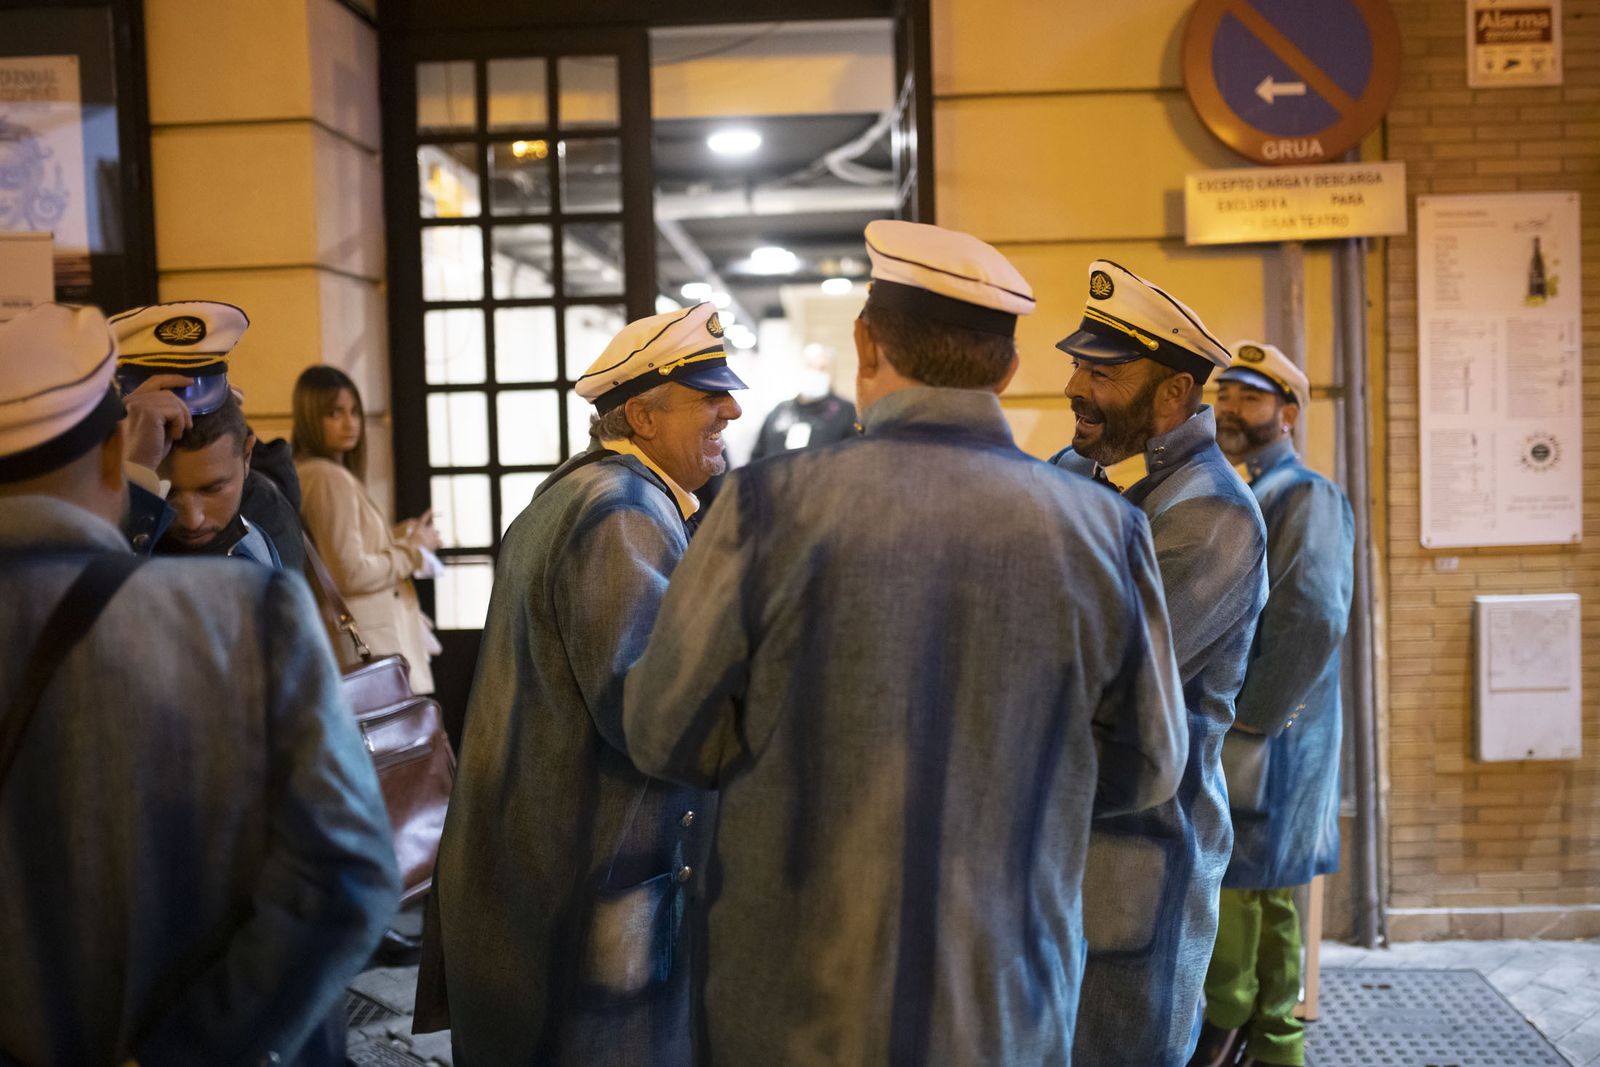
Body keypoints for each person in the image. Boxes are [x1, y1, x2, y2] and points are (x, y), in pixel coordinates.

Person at [621, 221, 1189, 1064]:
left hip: (792, 997)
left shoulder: (760, 508)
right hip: (1004, 994)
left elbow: (663, 732)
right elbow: (1149, 764)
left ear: (866, 342)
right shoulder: (1106, 529)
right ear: (1008, 369)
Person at [0, 303, 399, 1065]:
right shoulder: (245, 615)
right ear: (117, 456)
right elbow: (346, 875)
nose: (188, 514)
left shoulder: (258, 534)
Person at [414, 300, 747, 1063]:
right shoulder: (622, 513)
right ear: (643, 416)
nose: (729, 409)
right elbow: (652, 717)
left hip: (559, 880)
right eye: (707, 395)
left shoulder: (592, 495)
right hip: (593, 886)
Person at [1051, 260, 1269, 1067]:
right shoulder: (1075, 471)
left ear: (1174, 393)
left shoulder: (1214, 517)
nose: (1075, 386)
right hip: (1061, 852)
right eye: (1078, 365)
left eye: (1101, 372)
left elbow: (1104, 683)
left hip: (1140, 860)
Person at [1191, 342, 1354, 1067]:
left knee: (1250, 885)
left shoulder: (1304, 493)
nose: (1229, 408)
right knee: (1260, 889)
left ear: (1288, 413)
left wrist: (1250, 715)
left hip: (1272, 733)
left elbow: (1313, 615)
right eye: (1224, 394)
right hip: (1253, 728)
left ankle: (1243, 1030)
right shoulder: (1245, 486)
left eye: (1250, 397)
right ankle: (1267, 1041)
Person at [292, 365, 440, 691]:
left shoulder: (313, 473)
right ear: (310, 418)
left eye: (354, 411)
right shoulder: (328, 478)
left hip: (363, 645)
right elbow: (350, 572)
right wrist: (412, 552)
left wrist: (398, 536)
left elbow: (342, 551)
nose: (350, 423)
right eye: (334, 413)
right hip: (370, 646)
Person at [749, 342, 857, 460]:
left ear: (833, 375)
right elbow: (757, 455)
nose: (815, 373)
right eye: (810, 366)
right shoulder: (779, 412)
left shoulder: (847, 412)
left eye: (822, 368)